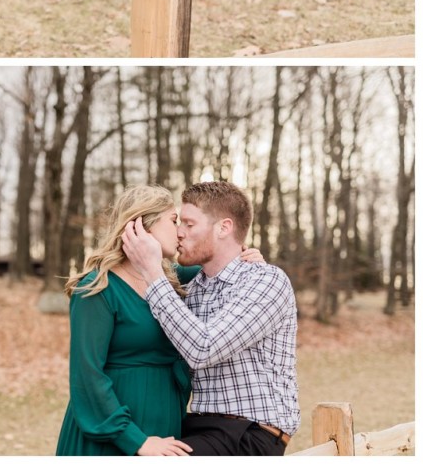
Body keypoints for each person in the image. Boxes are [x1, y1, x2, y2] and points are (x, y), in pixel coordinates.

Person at [122, 180, 300, 456]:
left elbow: (203, 348)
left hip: (251, 433)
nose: (179, 233)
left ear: (224, 228)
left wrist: (152, 270)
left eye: (189, 224)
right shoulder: (191, 291)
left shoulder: (266, 280)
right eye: (178, 223)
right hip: (197, 425)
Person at [56, 186, 196, 457]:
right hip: (113, 435)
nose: (180, 231)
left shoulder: (172, 279)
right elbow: (87, 376)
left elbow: (218, 262)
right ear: (143, 226)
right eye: (173, 220)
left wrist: (246, 255)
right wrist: (137, 441)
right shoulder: (97, 288)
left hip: (165, 423)